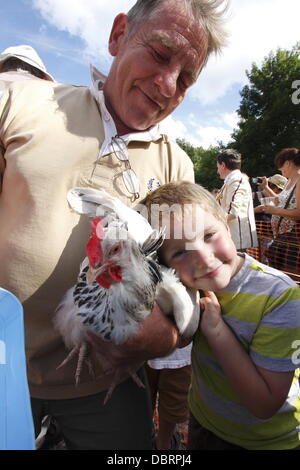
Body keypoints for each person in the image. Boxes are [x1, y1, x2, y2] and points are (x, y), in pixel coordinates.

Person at [0, 0, 228, 450]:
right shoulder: (17, 102)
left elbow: (185, 278)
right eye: (160, 55)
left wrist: (162, 335)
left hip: (106, 383)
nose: (167, 85)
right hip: (3, 367)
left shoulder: (177, 164)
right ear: (118, 35)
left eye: (185, 79)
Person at [141, 181, 300, 450]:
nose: (202, 258)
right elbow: (178, 342)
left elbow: (265, 404)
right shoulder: (187, 287)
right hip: (204, 422)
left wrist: (216, 331)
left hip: (266, 441)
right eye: (180, 251)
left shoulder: (281, 297)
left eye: (208, 235)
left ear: (227, 227)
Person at [255, 148, 300, 274]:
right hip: (281, 238)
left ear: (288, 163)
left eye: (280, 165)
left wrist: (275, 211)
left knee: (291, 278)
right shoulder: (290, 181)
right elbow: (280, 200)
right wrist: (266, 187)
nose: (280, 169)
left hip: (293, 242)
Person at [145, 342, 192, 450]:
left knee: (173, 404)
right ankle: (143, 437)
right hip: (141, 351)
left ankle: (163, 444)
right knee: (141, 400)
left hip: (181, 353)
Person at [216, 149, 258, 250]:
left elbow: (232, 212)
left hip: (238, 241)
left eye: (217, 167)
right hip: (235, 240)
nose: (217, 171)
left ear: (223, 165)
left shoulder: (236, 180)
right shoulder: (232, 181)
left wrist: (210, 223)